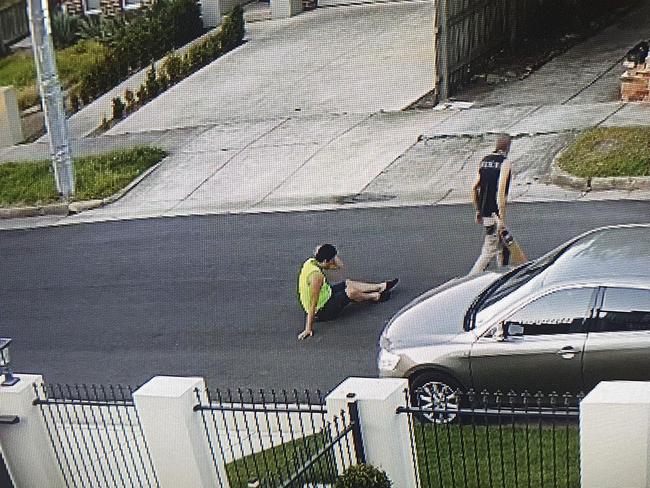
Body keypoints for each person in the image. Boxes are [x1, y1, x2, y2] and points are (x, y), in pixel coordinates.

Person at [297, 244, 398, 340]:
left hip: (327, 294)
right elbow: (313, 304)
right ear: (325, 260)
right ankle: (375, 296)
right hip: (322, 311)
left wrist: (330, 254)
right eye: (332, 260)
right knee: (350, 292)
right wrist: (308, 328)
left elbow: (338, 265)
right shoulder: (316, 277)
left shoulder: (311, 261)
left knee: (348, 283)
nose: (334, 262)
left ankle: (380, 286)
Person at [469, 134, 513, 275]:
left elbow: (474, 187)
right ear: (508, 147)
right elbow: (500, 192)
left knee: (503, 248)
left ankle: (502, 275)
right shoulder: (504, 163)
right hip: (495, 214)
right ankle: (471, 279)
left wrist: (478, 210)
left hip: (485, 212)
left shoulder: (484, 161)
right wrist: (501, 218)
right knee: (489, 250)